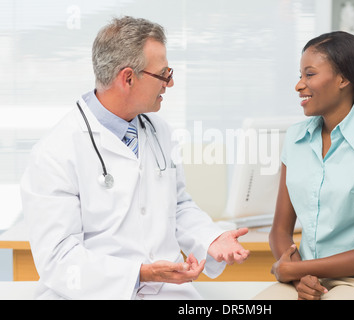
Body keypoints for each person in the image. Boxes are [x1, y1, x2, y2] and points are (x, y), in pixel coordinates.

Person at [20, 16, 249, 300]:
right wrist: (139, 274)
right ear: (128, 77)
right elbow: (60, 261)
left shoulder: (159, 131)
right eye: (164, 74)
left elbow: (176, 207)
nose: (170, 82)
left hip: (168, 293)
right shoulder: (55, 152)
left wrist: (211, 238)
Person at [254, 31, 354, 300]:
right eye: (300, 75)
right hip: (309, 276)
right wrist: (300, 275)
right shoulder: (295, 138)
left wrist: (296, 269)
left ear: (343, 79)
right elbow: (280, 230)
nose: (299, 85)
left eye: (309, 74)